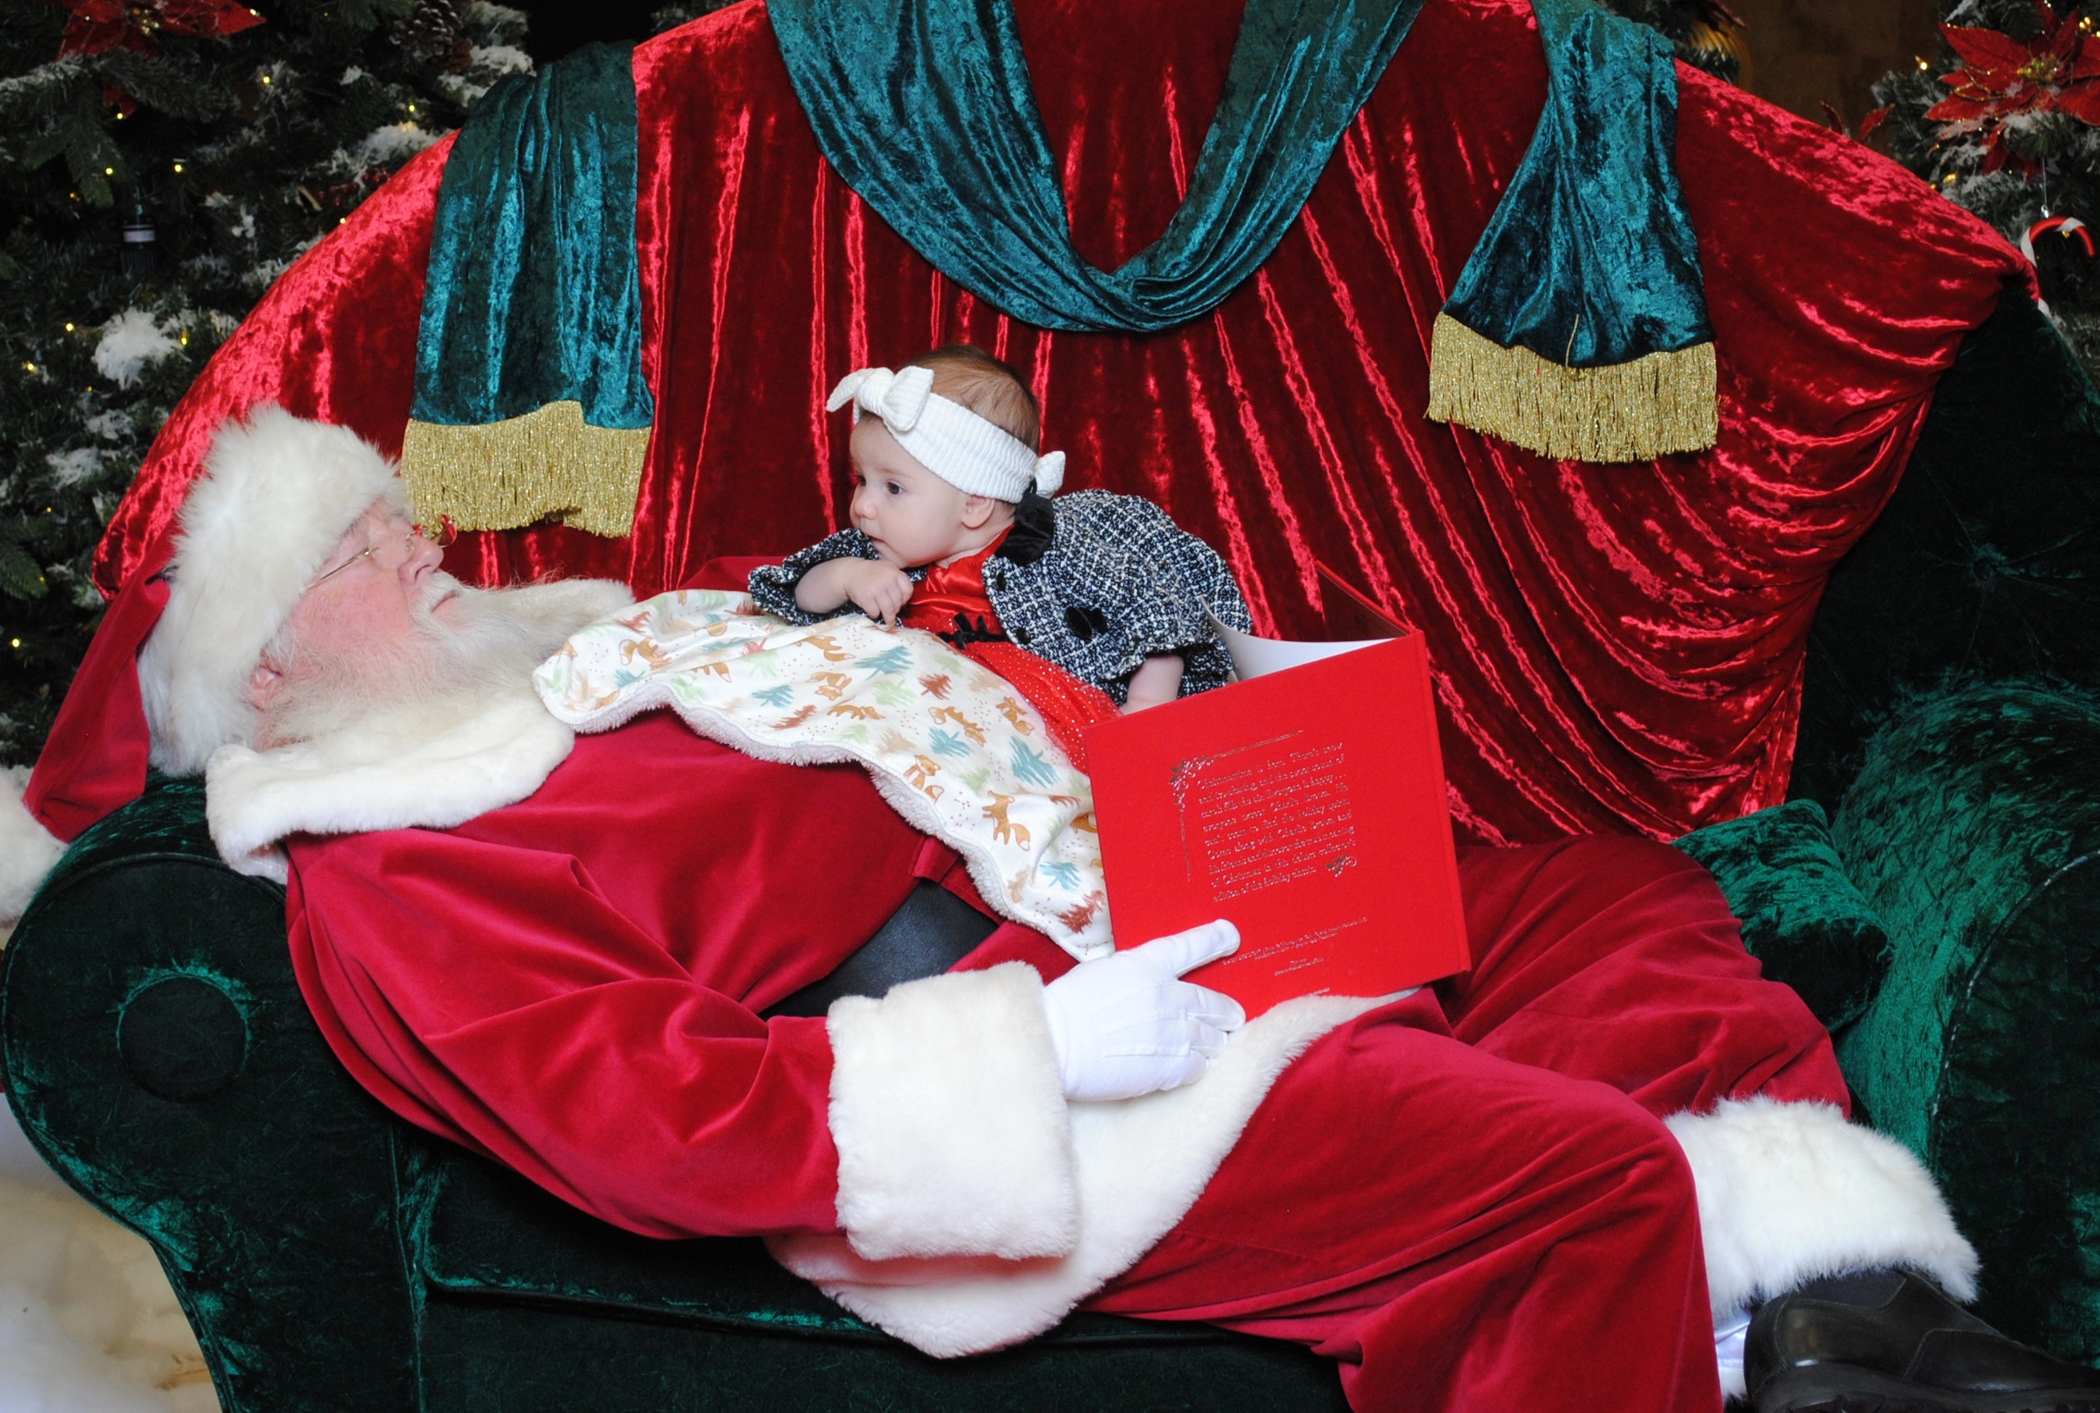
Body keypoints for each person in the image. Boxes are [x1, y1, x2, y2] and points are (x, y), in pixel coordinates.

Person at [24, 404, 2093, 1413]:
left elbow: (882, 680)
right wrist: (1028, 1051)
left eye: (398, 509)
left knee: (1597, 890)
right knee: (1564, 1177)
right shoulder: (402, 860)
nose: (434, 539)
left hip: (1109, 870)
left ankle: (1832, 1303)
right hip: (1036, 1047)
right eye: (376, 548)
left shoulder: (580, 656)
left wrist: (1174, 728)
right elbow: (635, 1109)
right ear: (273, 671)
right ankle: (1706, 1303)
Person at [748, 345, 1252, 723]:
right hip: (927, 713)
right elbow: (799, 593)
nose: (863, 506)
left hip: (1039, 718)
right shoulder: (885, 548)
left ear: (974, 503)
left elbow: (1159, 618)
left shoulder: (1058, 554)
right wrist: (848, 576)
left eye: (893, 487)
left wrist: (1142, 712)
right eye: (861, 480)